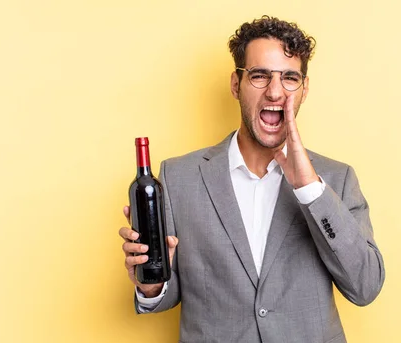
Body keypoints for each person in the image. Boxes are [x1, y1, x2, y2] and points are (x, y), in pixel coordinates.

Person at [119, 15, 385, 343]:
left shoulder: (336, 179)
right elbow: (168, 294)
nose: (275, 92)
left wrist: (310, 189)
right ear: (236, 84)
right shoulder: (178, 177)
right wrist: (151, 285)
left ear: (304, 90)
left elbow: (365, 287)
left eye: (290, 78)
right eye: (260, 75)